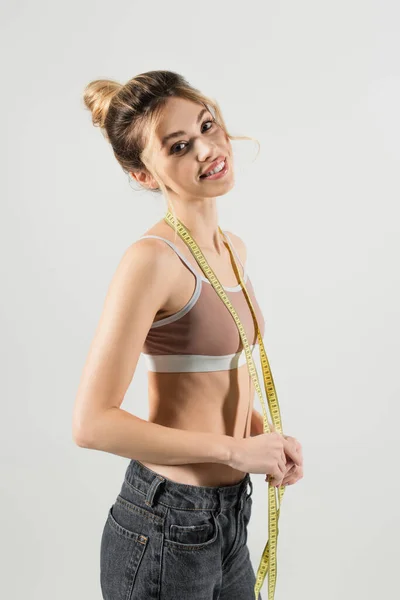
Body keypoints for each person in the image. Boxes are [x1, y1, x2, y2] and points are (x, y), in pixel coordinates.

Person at [73, 70, 303, 600]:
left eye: (207, 125)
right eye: (180, 146)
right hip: (166, 522)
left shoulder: (232, 248)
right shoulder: (151, 260)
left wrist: (261, 434)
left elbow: (209, 377)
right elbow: (91, 424)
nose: (208, 148)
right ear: (143, 173)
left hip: (226, 516)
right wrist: (233, 451)